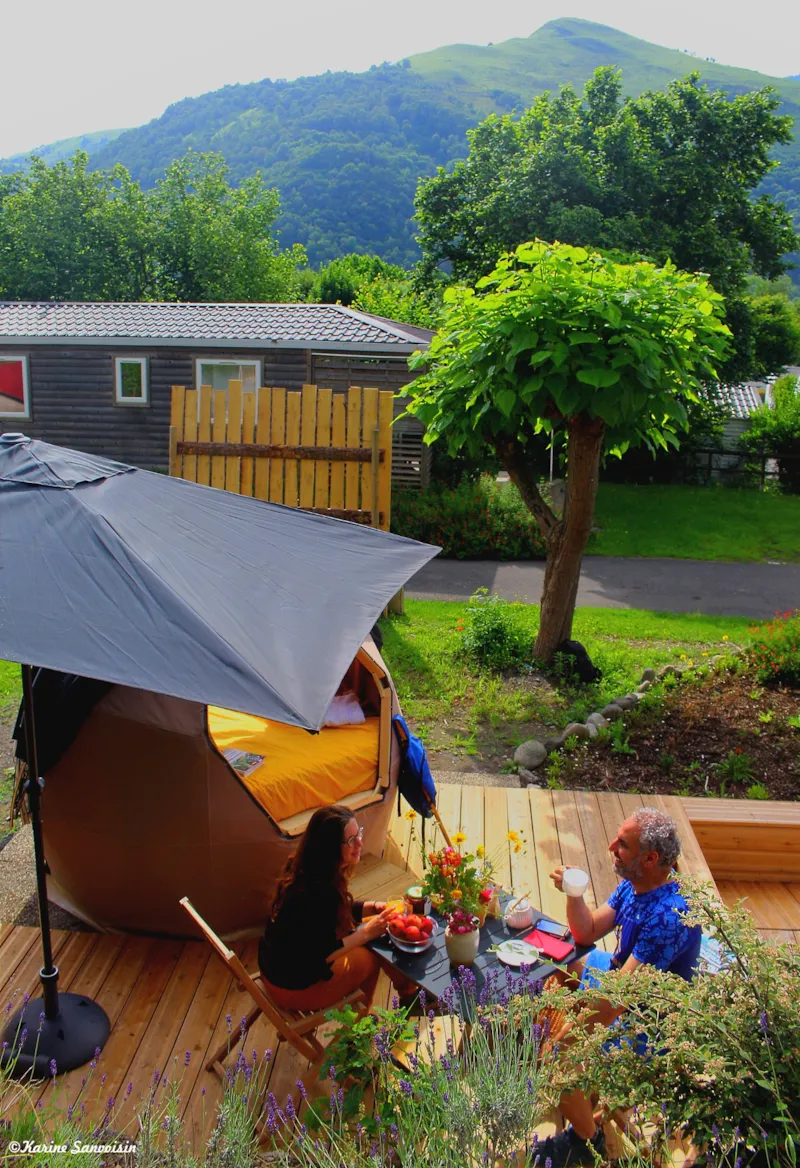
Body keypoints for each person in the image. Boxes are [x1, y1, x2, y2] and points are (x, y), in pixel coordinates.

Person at [538, 807, 702, 1168]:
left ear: (650, 858)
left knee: (558, 1067)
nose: (611, 846)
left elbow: (615, 1001)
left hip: (651, 1022)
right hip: (622, 981)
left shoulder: (669, 914)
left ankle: (585, 1141)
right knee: (559, 958)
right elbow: (587, 932)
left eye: (622, 844)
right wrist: (573, 894)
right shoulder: (636, 882)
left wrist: (569, 1037)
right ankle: (582, 1105)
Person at [258, 805, 397, 1011]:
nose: (360, 842)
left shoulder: (306, 870)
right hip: (291, 989)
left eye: (358, 832)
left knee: (364, 936)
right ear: (329, 847)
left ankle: (401, 994)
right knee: (371, 958)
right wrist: (367, 932)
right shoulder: (320, 893)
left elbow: (331, 913)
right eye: (351, 840)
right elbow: (322, 955)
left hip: (272, 970)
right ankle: (358, 1029)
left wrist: (372, 907)